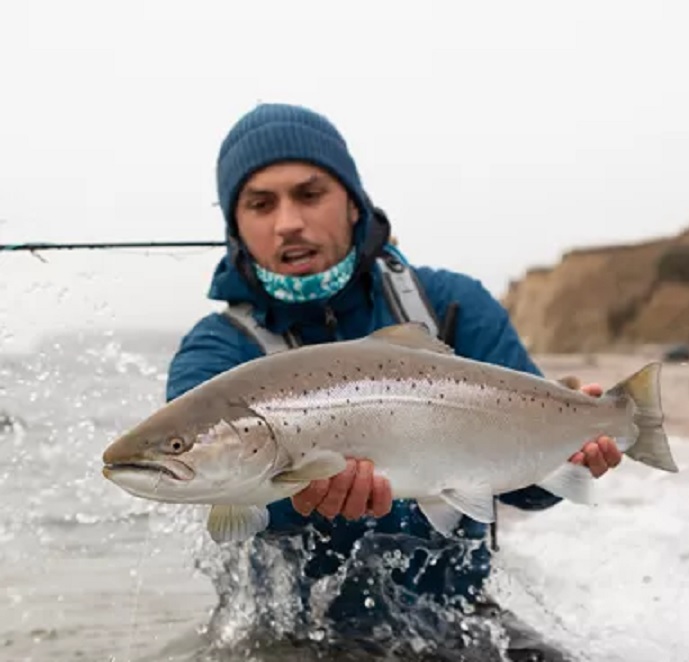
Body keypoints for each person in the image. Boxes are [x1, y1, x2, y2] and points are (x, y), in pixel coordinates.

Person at [165, 102, 623, 661]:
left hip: (459, 620)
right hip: (292, 637)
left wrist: (570, 455)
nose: (287, 221)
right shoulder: (214, 353)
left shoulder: (454, 306)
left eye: (309, 195)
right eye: (260, 204)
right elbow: (224, 500)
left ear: (355, 206)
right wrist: (305, 496)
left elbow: (527, 491)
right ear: (235, 225)